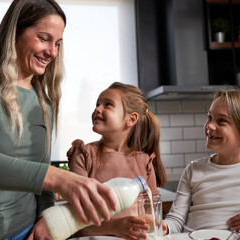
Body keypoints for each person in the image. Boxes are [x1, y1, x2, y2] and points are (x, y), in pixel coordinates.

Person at [0, 0, 117, 239]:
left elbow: (42, 185)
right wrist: (58, 177)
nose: (53, 52)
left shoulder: (44, 103)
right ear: (15, 32)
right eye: (44, 38)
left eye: (58, 43)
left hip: (24, 233)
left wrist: (46, 218)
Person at [162, 88, 240, 235]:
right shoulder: (193, 169)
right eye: (209, 117)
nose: (209, 126)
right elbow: (176, 220)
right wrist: (163, 226)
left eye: (221, 120)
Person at [67, 82, 168, 239]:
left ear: (131, 119)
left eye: (108, 104)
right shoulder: (83, 156)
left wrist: (156, 225)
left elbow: (151, 214)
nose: (97, 109)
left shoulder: (144, 162)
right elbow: (74, 220)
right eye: (97, 104)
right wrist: (115, 227)